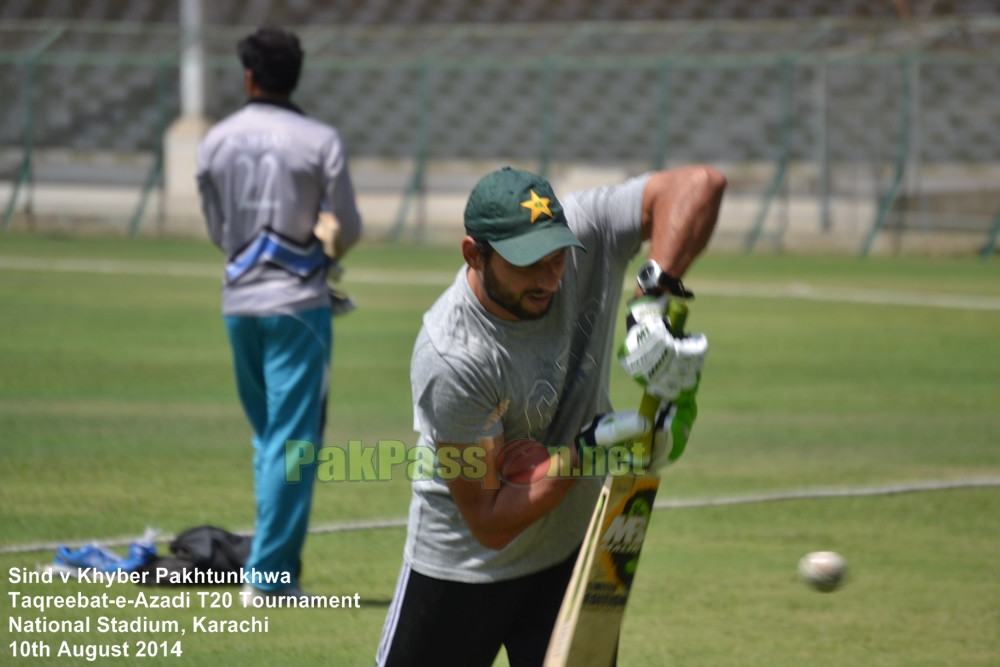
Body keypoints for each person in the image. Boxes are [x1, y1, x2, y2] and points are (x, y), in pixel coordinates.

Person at [375, 164, 725, 666]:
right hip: (463, 568)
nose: (549, 277)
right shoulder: (451, 354)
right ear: (475, 254)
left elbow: (701, 184)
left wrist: (655, 295)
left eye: (558, 257)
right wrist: (587, 453)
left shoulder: (585, 230)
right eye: (528, 262)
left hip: (570, 556)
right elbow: (489, 520)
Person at [195, 27, 362, 600]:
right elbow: (348, 229)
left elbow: (217, 227)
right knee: (293, 444)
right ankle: (268, 577)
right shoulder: (319, 140)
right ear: (296, 74)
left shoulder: (215, 140)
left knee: (270, 438)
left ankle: (266, 563)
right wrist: (325, 245)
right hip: (297, 306)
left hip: (239, 301)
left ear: (249, 77)